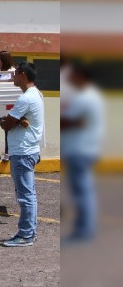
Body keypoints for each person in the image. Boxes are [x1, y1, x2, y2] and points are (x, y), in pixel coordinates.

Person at [0, 61, 44, 247]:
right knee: (28, 193)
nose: (13, 76)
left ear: (23, 75)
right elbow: (15, 121)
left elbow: (7, 123)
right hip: (29, 150)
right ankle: (29, 232)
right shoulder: (36, 94)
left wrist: (6, 121)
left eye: (15, 73)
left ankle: (26, 234)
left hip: (23, 152)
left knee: (25, 195)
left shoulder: (26, 98)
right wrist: (13, 121)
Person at [61, 62, 104, 243]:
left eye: (73, 76)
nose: (70, 79)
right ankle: (84, 229)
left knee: (81, 192)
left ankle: (83, 231)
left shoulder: (85, 98)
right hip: (84, 149)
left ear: (82, 77)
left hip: (80, 149)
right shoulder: (91, 96)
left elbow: (73, 121)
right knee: (83, 191)